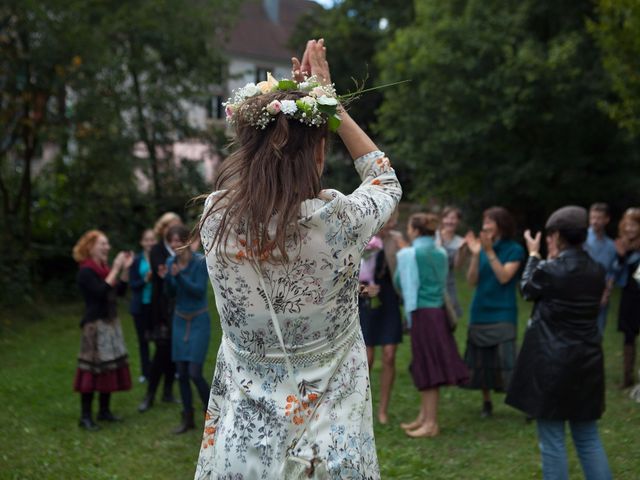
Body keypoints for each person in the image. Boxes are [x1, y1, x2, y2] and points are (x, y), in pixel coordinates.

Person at [194, 39, 401, 478]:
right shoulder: (337, 221)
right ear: (319, 152)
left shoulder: (214, 218)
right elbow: (384, 181)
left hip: (243, 452)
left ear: (247, 148)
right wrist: (332, 105)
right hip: (330, 452)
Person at [506, 206, 612, 480]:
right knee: (588, 437)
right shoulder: (598, 271)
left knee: (552, 440)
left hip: (553, 365)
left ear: (556, 235)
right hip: (588, 362)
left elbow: (527, 289)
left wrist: (533, 254)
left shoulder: (551, 270)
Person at [395, 213, 469, 438]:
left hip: (422, 314)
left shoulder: (409, 253)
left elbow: (399, 282)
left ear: (416, 231)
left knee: (428, 366)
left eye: (409, 227)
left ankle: (431, 423)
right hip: (437, 313)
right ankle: (424, 417)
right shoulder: (440, 251)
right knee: (427, 364)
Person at [464, 206, 524, 418]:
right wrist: (475, 255)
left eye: (490, 221)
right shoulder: (481, 248)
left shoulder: (514, 249)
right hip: (480, 311)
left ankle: (524, 402)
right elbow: (471, 281)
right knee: (481, 361)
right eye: (484, 221)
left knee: (508, 360)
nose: (485, 225)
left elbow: (504, 277)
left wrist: (489, 251)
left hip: (503, 313)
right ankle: (487, 402)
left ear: (501, 224)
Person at [72, 230, 133, 431]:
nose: (107, 247)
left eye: (107, 244)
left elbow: (119, 292)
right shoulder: (86, 271)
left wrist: (124, 270)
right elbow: (99, 293)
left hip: (110, 324)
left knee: (109, 367)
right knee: (91, 370)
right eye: (102, 244)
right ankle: (85, 416)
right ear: (90, 247)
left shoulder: (104, 269)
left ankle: (104, 411)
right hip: (94, 326)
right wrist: (115, 269)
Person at [164, 224, 211, 434]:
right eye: (171, 241)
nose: (175, 245)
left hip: (199, 320)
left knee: (194, 372)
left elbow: (198, 291)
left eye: (178, 240)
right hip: (180, 320)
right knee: (181, 372)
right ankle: (187, 417)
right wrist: (169, 277)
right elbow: (170, 293)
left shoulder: (200, 261)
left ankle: (213, 412)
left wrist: (178, 276)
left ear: (186, 241)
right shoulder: (170, 262)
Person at [359, 213, 405, 424]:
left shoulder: (396, 241)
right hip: (366, 298)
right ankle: (362, 407)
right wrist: (364, 290)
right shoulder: (361, 238)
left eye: (392, 222)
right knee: (367, 358)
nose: (389, 226)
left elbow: (407, 269)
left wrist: (402, 247)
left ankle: (383, 410)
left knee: (389, 355)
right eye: (386, 222)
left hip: (388, 298)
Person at [138, 212, 182, 412]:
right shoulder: (157, 250)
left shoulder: (182, 249)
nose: (173, 230)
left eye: (177, 226)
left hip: (180, 307)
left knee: (174, 351)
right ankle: (150, 394)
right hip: (162, 309)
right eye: (169, 226)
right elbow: (162, 272)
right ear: (162, 229)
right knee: (161, 350)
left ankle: (167, 391)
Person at [611, 207, 640, 388]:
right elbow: (616, 272)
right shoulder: (622, 245)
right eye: (627, 225)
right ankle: (627, 377)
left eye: (634, 225)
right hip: (629, 295)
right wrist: (621, 257)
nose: (630, 229)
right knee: (628, 334)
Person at [584, 203, 617, 335]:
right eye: (592, 217)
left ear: (606, 220)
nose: (595, 221)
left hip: (601, 297)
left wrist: (606, 293)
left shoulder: (611, 245)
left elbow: (612, 272)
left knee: (597, 334)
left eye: (598, 218)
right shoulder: (581, 240)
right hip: (581, 294)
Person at [129, 228, 157, 383]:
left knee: (160, 339)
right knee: (143, 341)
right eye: (147, 240)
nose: (150, 243)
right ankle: (145, 372)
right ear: (142, 242)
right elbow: (133, 285)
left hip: (156, 306)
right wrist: (146, 279)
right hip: (141, 307)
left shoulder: (160, 259)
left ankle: (160, 369)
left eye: (152, 239)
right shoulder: (136, 261)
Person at [436, 206, 467, 318]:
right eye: (447, 218)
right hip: (433, 281)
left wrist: (461, 250)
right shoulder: (434, 236)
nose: (450, 221)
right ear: (442, 220)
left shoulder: (460, 241)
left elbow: (457, 266)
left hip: (449, 282)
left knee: (449, 317)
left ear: (458, 221)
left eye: (453, 218)